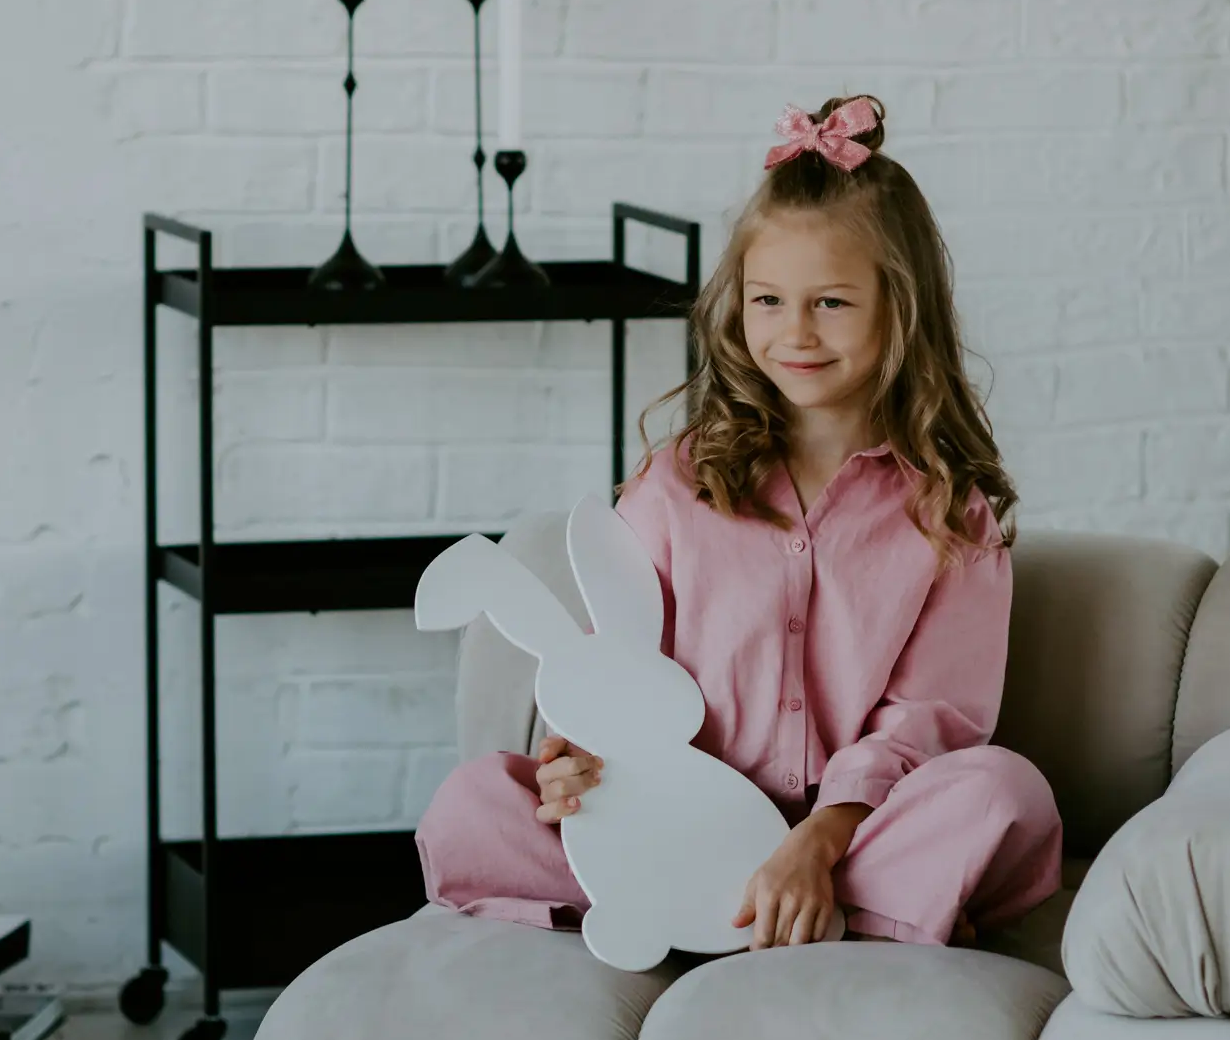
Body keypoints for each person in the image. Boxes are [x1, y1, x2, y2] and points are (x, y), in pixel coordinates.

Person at [415, 95, 1063, 951]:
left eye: (831, 303)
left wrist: (820, 839)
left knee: (1004, 795)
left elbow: (928, 718)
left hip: (855, 832)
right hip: (675, 820)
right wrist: (577, 753)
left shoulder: (948, 513)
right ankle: (845, 914)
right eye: (768, 299)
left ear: (900, 309)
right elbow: (621, 661)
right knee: (474, 803)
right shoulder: (677, 484)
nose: (795, 331)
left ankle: (777, 902)